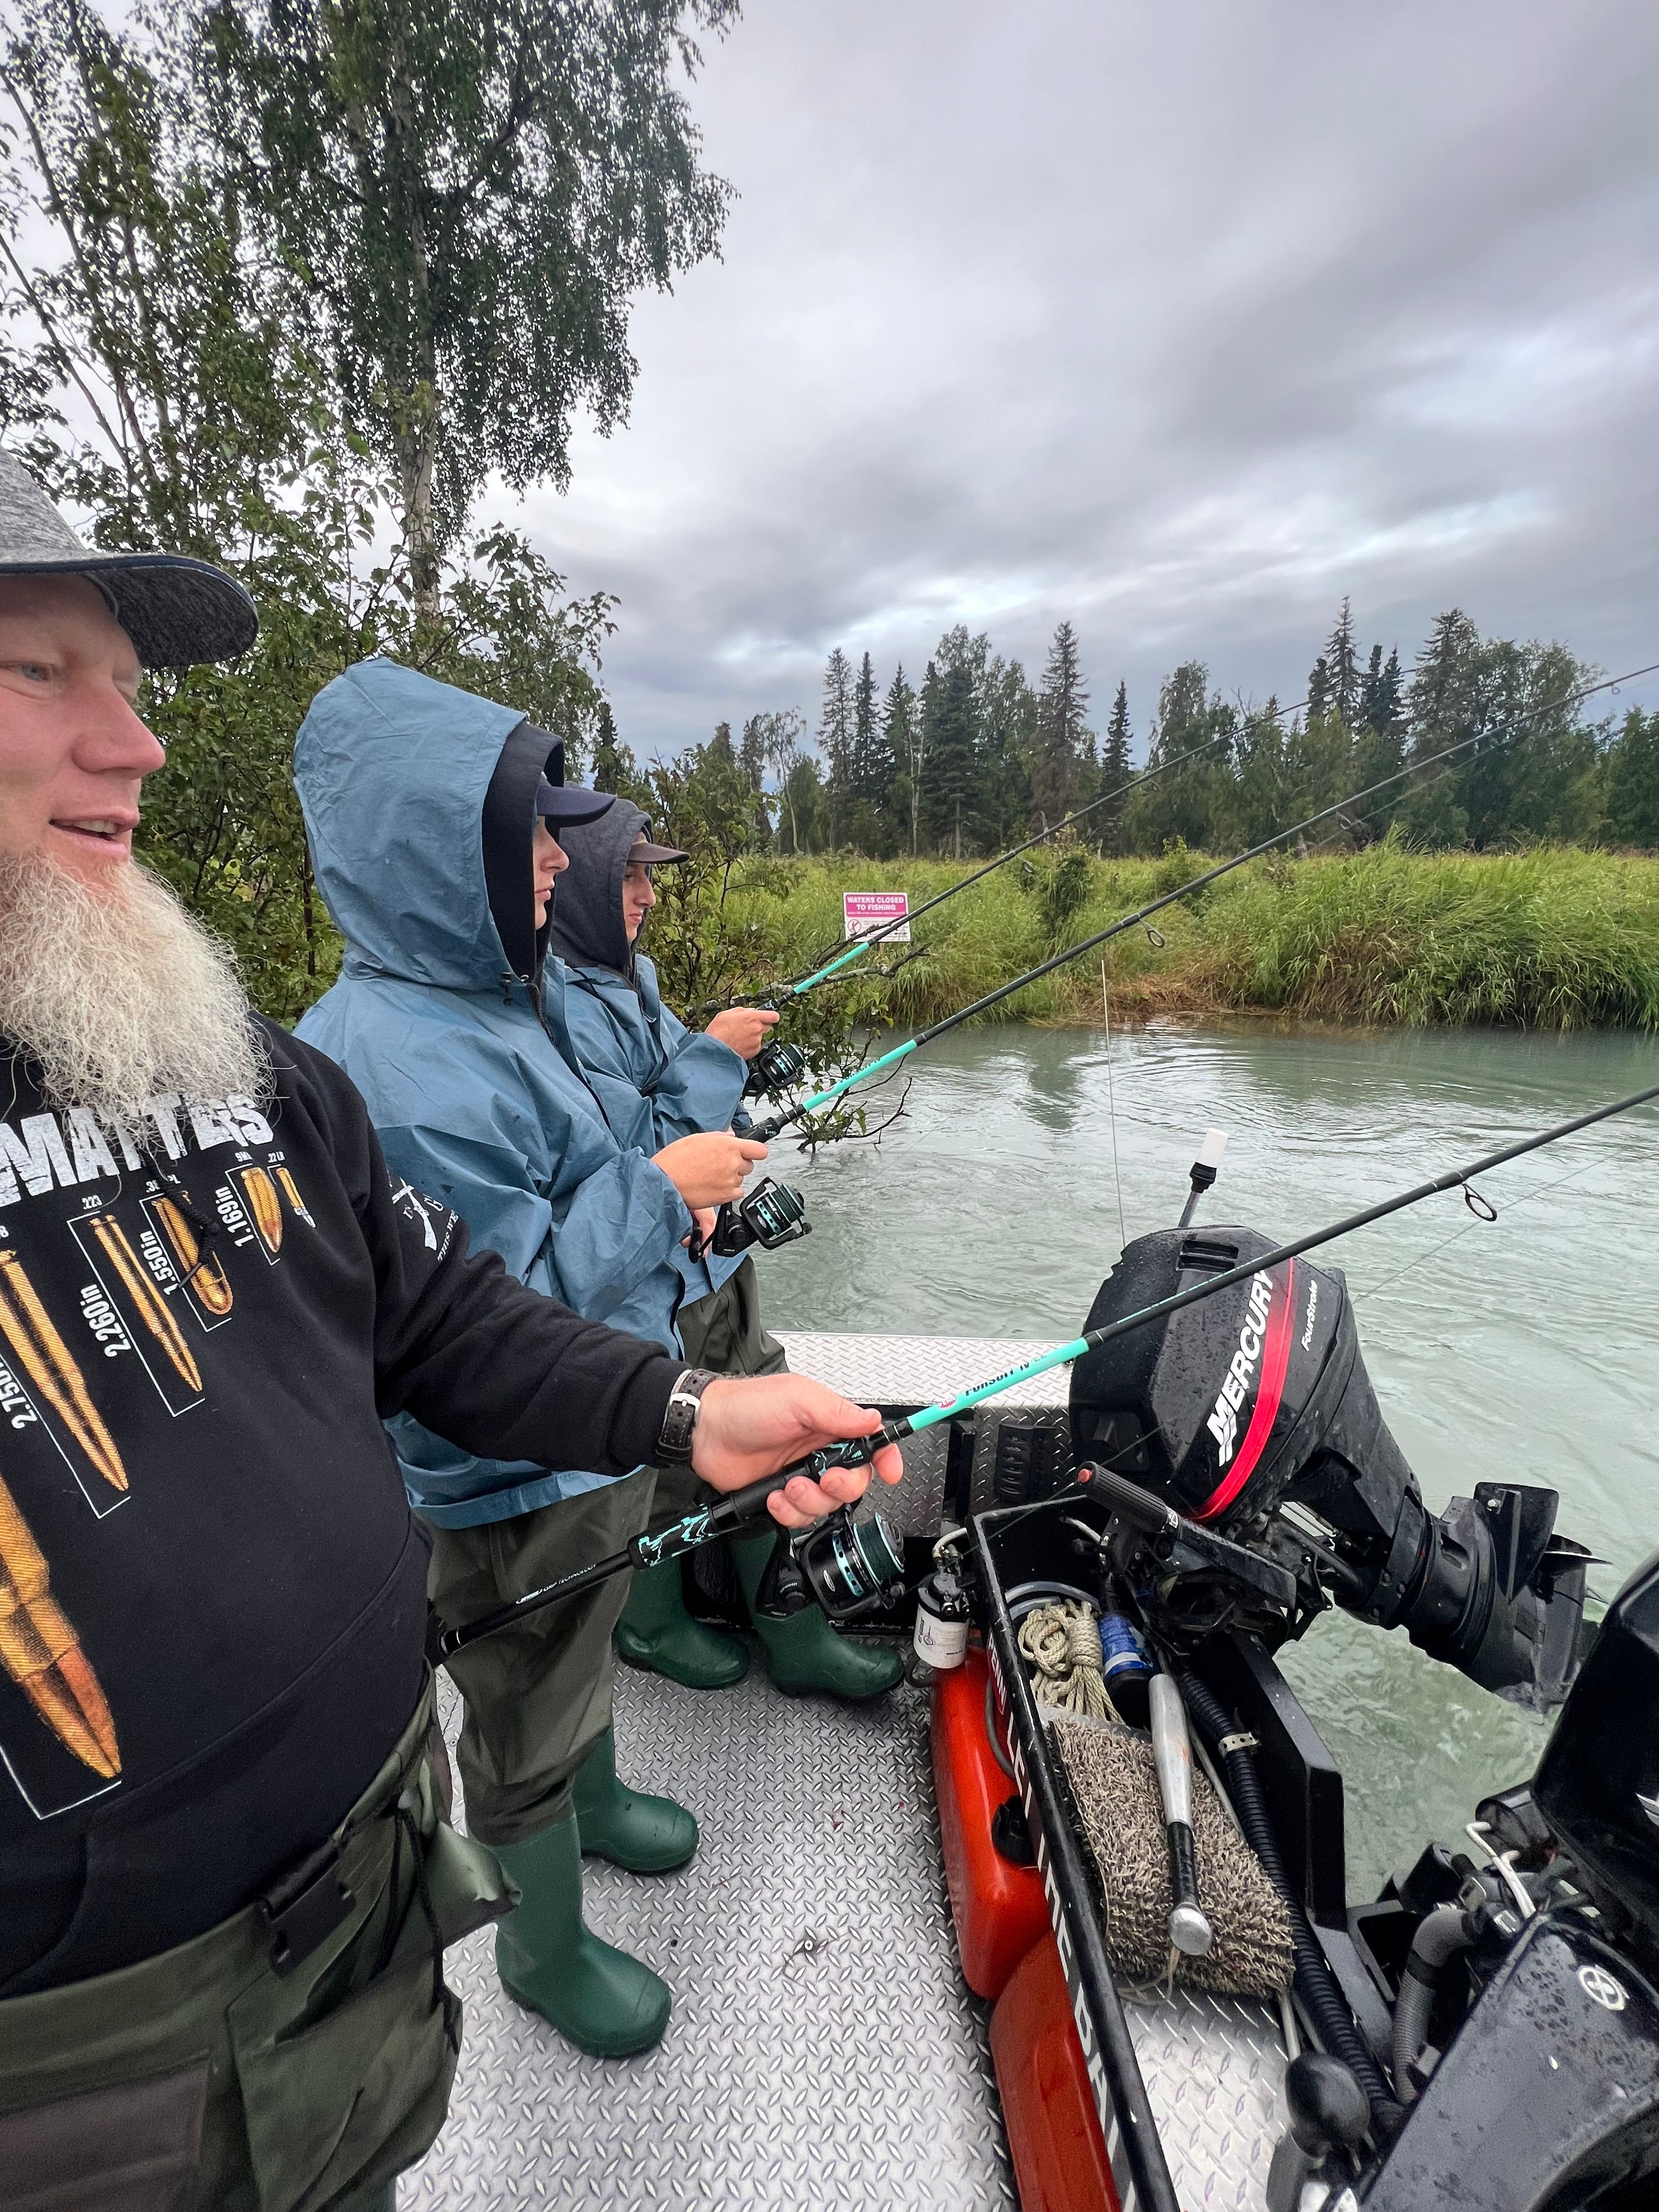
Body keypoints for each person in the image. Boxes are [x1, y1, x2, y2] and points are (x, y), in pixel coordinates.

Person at [0, 452, 898, 2212]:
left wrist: (682, 1407)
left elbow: (441, 1306)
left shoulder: (245, 1073)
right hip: (101, 2079)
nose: (141, 745)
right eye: (42, 674)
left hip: (360, 1937)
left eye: (127, 681)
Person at [293, 657, 796, 2059]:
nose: (552, 865)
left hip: (595, 1433)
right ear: (427, 853)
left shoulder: (500, 1001)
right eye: (525, 836)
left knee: (579, 1655)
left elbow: (588, 1198)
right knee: (521, 1713)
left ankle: (600, 1799)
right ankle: (543, 1944)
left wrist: (668, 1191)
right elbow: (487, 1322)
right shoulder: (393, 1068)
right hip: (505, 1477)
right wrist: (666, 1182)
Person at [552, 800, 902, 1701]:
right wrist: (715, 1052)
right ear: (582, 883)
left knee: (782, 1429)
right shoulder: (556, 1008)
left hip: (712, 1262)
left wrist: (719, 1078)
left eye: (649, 876)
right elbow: (633, 1152)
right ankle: (652, 1622)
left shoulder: (638, 977)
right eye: (629, 875)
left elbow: (685, 1108)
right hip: (645, 1278)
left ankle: (792, 1627)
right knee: (669, 1456)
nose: (647, 896)